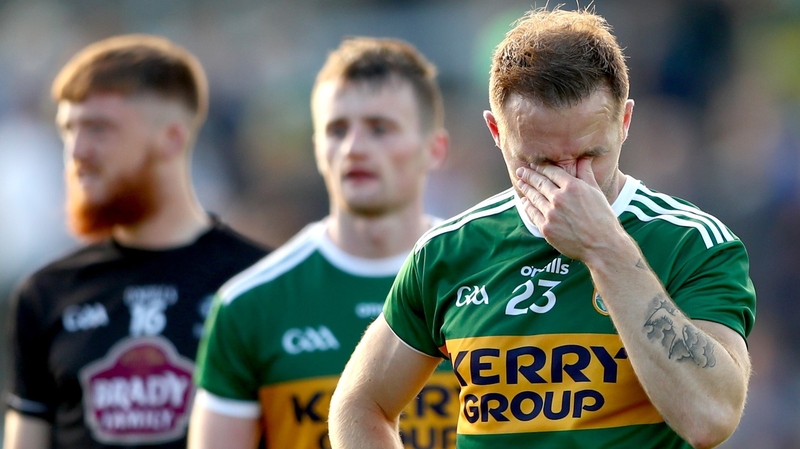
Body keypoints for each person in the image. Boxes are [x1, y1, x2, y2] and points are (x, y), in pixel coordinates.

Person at [329, 7, 756, 449]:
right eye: (540, 162)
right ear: (497, 132)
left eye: (591, 156)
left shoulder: (692, 243)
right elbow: (360, 405)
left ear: (624, 122)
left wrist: (604, 248)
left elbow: (711, 417)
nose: (568, 182)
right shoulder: (448, 251)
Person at [188, 37, 459, 449]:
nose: (353, 148)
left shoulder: (487, 279)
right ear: (317, 149)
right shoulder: (250, 303)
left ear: (434, 149)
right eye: (336, 130)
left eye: (380, 128)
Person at [2, 35, 269, 449]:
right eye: (68, 130)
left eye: (98, 129)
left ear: (172, 139)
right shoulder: (45, 294)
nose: (76, 151)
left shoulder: (259, 284)